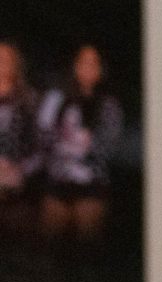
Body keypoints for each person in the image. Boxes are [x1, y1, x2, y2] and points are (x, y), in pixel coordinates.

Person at [38, 45, 123, 242]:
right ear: (75, 66)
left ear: (102, 69)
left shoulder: (109, 105)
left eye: (94, 63)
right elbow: (43, 135)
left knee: (87, 243)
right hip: (58, 182)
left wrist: (91, 144)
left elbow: (111, 148)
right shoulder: (57, 98)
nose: (88, 68)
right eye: (84, 62)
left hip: (92, 184)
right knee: (52, 244)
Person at [0, 42, 39, 236]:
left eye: (7, 59)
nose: (2, 64)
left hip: (18, 174)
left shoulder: (28, 99)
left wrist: (21, 168)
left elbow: (39, 144)